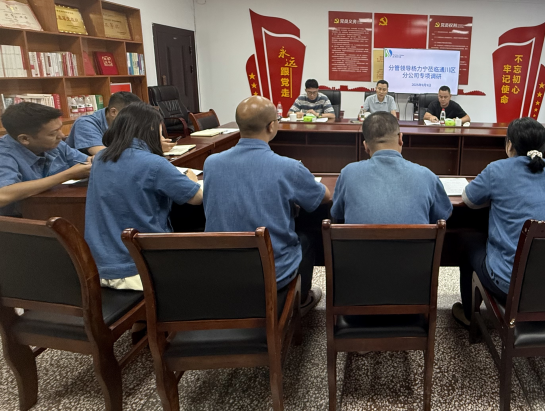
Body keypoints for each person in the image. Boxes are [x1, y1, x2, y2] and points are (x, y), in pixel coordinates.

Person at [204, 96, 331, 313]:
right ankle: (300, 299)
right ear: (272, 126)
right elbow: (324, 197)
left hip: (221, 268)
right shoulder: (289, 167)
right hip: (272, 273)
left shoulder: (211, 163)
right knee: (307, 237)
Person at [451, 117, 545, 326]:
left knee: (467, 243)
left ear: (510, 145)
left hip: (508, 285)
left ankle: (469, 316)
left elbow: (468, 199)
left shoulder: (497, 170)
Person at [84, 102, 202, 290]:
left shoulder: (101, 158)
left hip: (100, 267)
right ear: (151, 129)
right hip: (139, 268)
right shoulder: (153, 163)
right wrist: (191, 180)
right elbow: (196, 197)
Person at [331, 112, 451, 224]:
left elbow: (337, 213)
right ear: (400, 139)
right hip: (415, 241)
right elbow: (442, 215)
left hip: (357, 241)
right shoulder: (427, 176)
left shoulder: (348, 173)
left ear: (365, 146)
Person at [0, 102, 91, 217]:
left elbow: (86, 161)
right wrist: (68, 174)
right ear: (25, 139)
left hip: (51, 210)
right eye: (53, 134)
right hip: (16, 222)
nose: (62, 136)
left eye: (60, 129)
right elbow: (3, 195)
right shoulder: (4, 154)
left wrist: (97, 161)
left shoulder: (56, 144)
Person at [65, 91, 153, 155]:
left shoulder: (127, 123)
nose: (135, 121)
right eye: (131, 116)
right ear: (113, 112)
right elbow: (103, 155)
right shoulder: (85, 123)